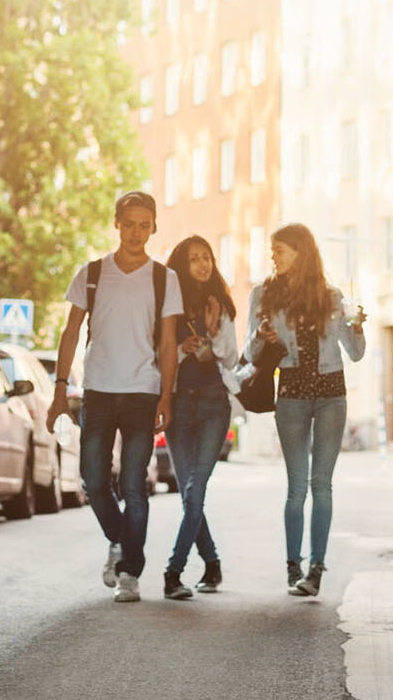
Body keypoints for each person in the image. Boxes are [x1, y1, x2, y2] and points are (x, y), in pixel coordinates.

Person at [48, 190, 182, 604]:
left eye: (145, 225)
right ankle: (121, 540)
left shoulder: (164, 278)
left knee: (134, 484)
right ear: (117, 224)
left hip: (142, 391)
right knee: (92, 478)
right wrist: (58, 391)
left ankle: (129, 572)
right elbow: (70, 333)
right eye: (130, 224)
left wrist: (166, 396)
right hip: (99, 391)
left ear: (154, 227)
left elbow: (168, 342)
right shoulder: (91, 273)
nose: (137, 232)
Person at [248, 223, 365, 597]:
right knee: (297, 486)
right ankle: (292, 566)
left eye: (279, 250)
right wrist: (261, 338)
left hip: (331, 394)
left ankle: (316, 569)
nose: (274, 257)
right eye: (273, 251)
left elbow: (357, 352)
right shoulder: (263, 295)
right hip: (292, 394)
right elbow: (250, 354)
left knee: (322, 485)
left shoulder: (331, 296)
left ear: (301, 251)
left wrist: (357, 326)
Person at [159, 236, 242, 599]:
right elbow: (158, 354)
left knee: (196, 489)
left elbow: (231, 358)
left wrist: (208, 340)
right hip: (179, 404)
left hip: (212, 404)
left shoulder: (219, 303)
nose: (202, 264)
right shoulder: (169, 307)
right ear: (181, 265)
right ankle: (211, 562)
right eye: (194, 259)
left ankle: (172, 572)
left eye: (206, 257)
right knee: (188, 494)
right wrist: (182, 348)